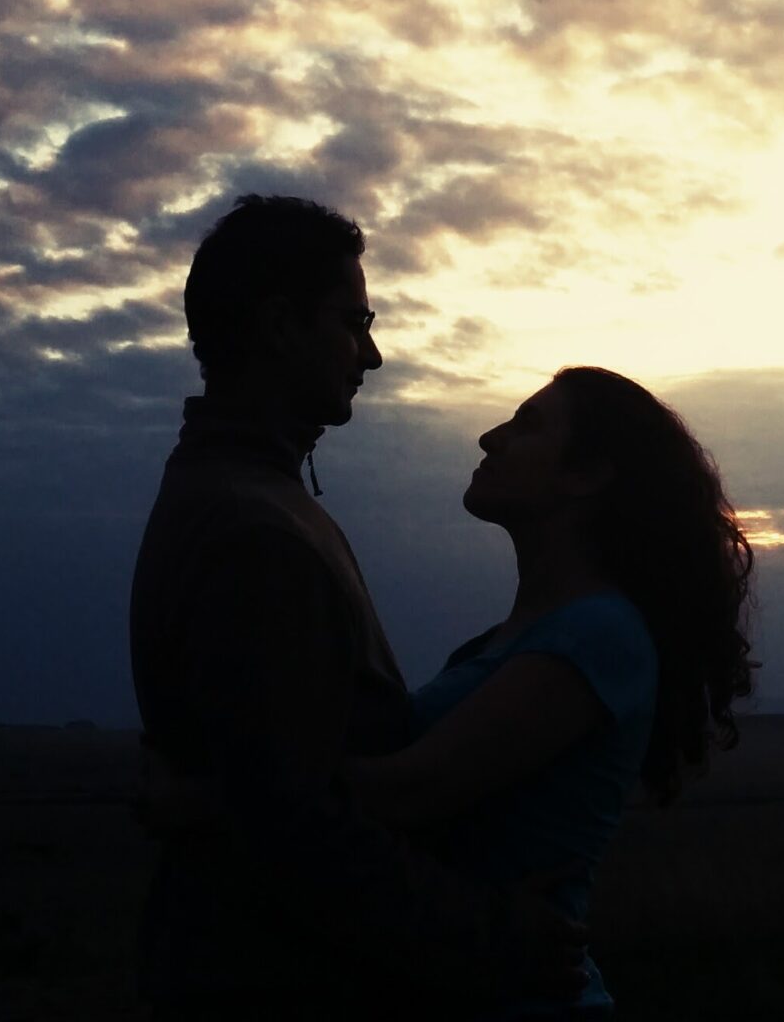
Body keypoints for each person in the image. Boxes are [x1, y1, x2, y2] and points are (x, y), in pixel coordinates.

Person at [148, 363, 760, 1017]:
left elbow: (405, 793)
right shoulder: (507, 641)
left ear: (586, 475)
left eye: (526, 426)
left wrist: (203, 795)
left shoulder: (599, 635)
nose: (490, 437)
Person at [128, 193, 585, 1019]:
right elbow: (293, 830)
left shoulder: (244, 496)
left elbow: (259, 794)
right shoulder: (255, 530)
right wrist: (493, 936)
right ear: (279, 325)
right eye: (353, 323)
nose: (371, 355)